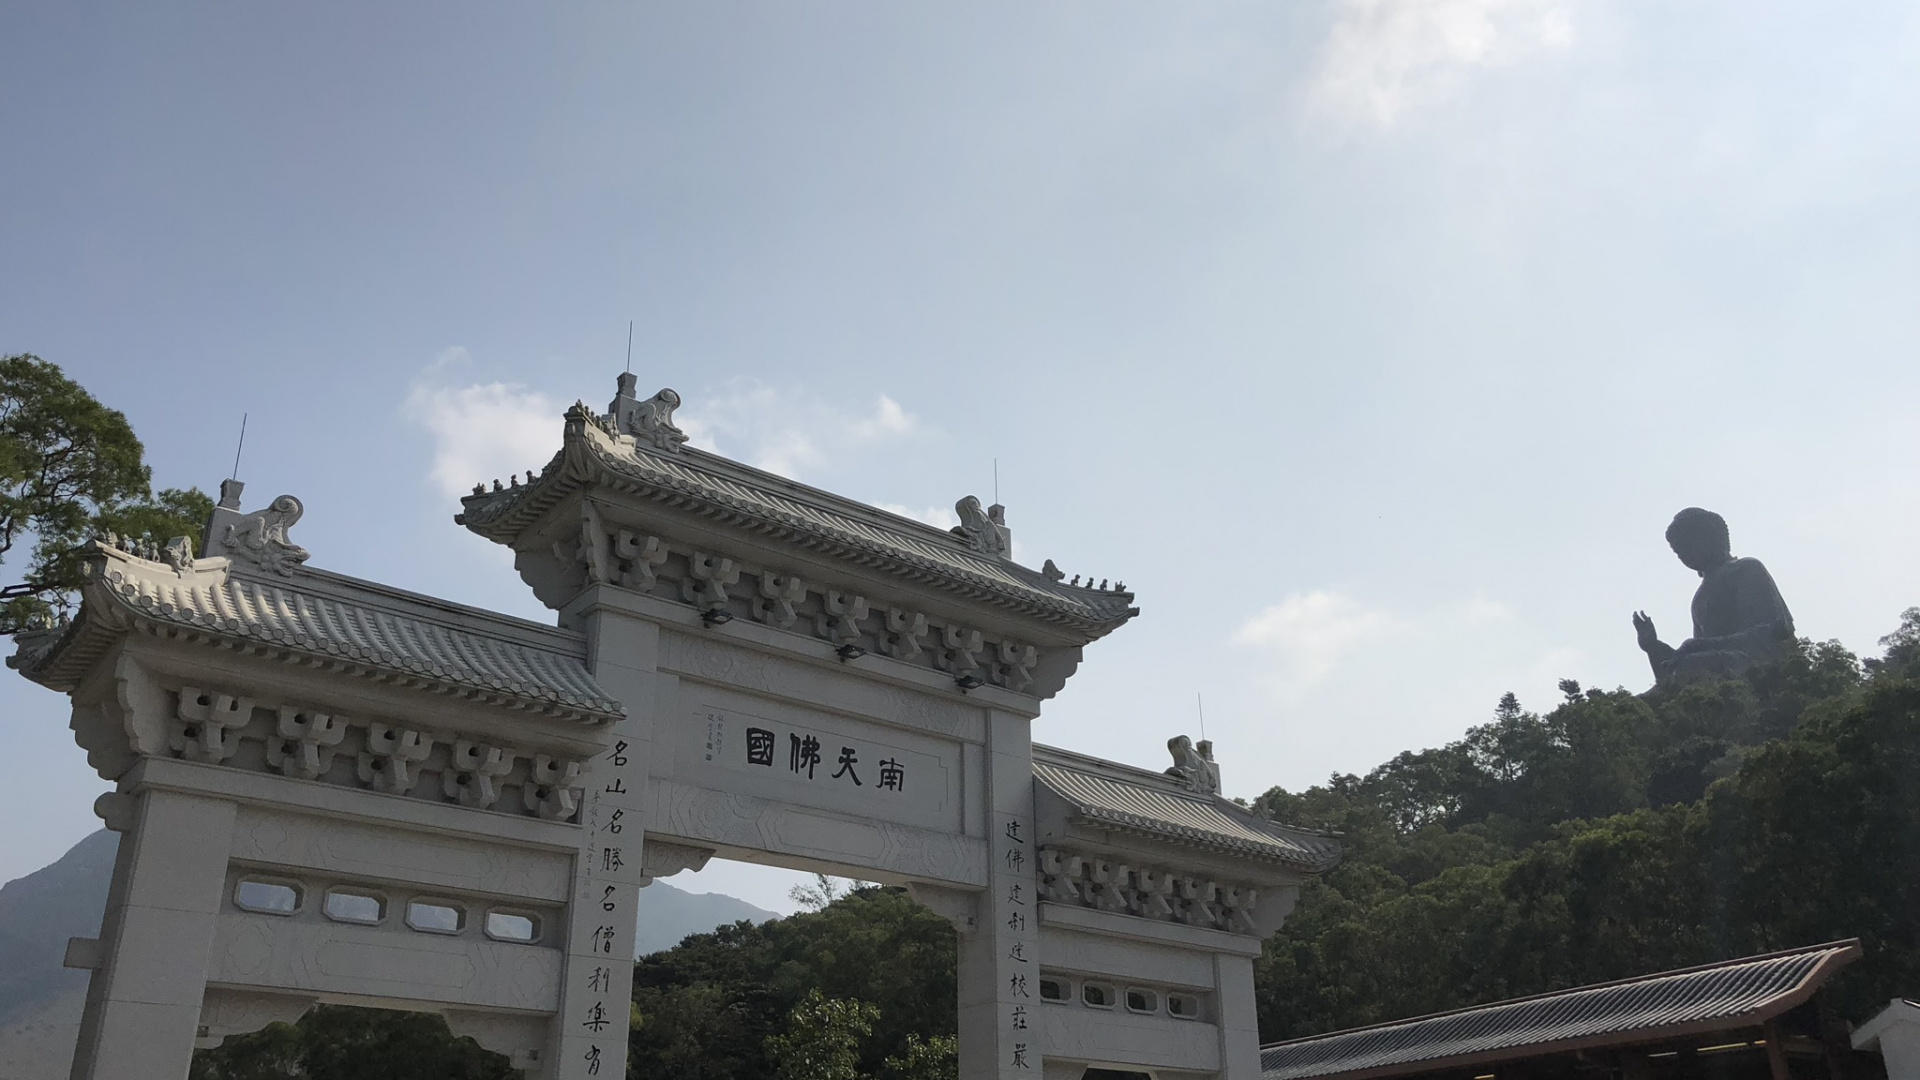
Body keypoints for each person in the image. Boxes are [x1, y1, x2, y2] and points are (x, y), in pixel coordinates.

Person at [1633, 508, 1794, 688]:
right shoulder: (1699, 598)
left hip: (1756, 662)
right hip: (1717, 661)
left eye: (1686, 544)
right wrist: (1653, 647)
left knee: (1693, 665)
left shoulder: (1746, 569)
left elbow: (1778, 630)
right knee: (1679, 673)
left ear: (1710, 537)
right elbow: (1687, 657)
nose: (1682, 555)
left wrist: (1700, 646)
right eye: (1677, 551)